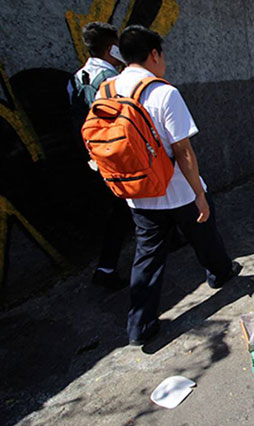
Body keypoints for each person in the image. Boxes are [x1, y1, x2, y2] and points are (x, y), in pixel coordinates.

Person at [112, 25, 241, 346]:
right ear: (154, 54)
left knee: (148, 256)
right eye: (162, 54)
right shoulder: (162, 92)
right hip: (176, 190)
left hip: (137, 193)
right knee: (204, 229)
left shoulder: (108, 89)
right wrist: (199, 192)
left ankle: (139, 326)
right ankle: (220, 273)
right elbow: (183, 150)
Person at [68, 22, 131, 290]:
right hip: (117, 156)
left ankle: (172, 237)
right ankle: (106, 269)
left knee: (124, 210)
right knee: (125, 210)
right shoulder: (112, 81)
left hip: (94, 157)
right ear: (111, 48)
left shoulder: (76, 79)